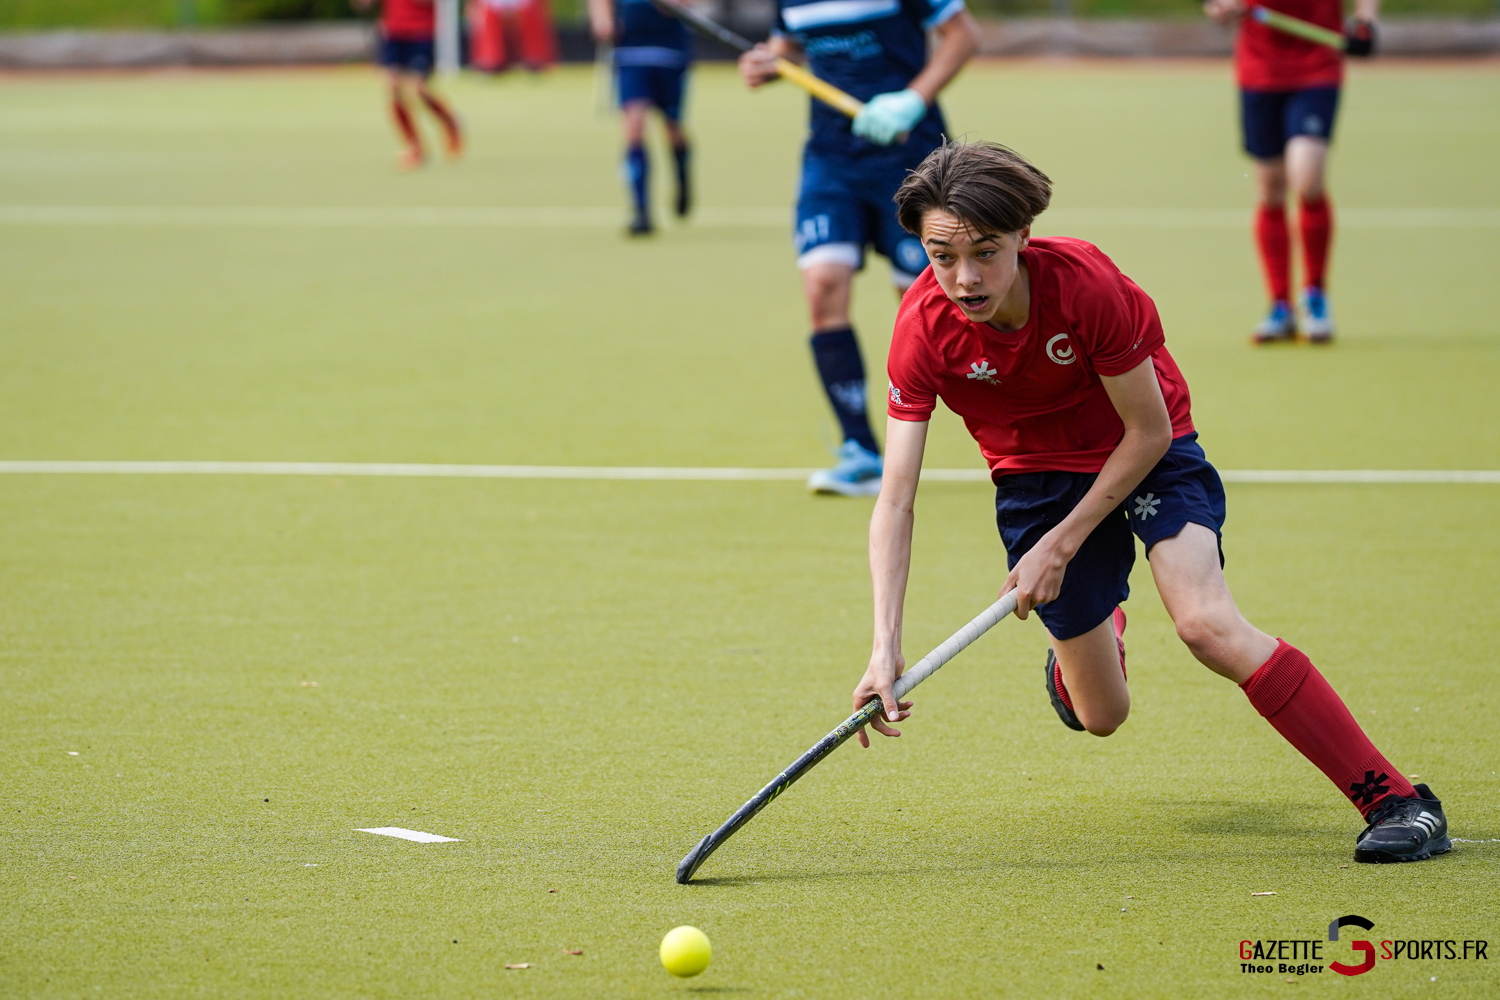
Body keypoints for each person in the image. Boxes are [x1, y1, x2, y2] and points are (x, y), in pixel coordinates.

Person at [852, 140, 1448, 864]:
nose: (965, 277)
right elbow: (897, 501)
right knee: (1102, 715)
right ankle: (1101, 628)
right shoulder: (921, 330)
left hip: (1146, 455)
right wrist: (883, 648)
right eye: (942, 256)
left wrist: (1060, 546)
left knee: (1206, 625)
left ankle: (1395, 799)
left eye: (986, 252)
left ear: (1023, 237)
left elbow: (1148, 430)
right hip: (1036, 479)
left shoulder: (1086, 286)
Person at [738, 0, 980, 495]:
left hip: (915, 158)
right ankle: (860, 451)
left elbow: (963, 36)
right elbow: (785, 49)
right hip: (832, 160)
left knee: (932, 306)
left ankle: (1022, 430)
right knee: (824, 283)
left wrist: (912, 99)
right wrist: (767, 63)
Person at [1204, 0, 1379, 344]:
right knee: (1271, 189)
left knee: (1308, 176)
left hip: (1317, 67)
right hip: (1259, 72)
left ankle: (1315, 295)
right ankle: (1280, 306)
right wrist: (1224, 9)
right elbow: (1220, 7)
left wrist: (1365, 20)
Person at [589, 0, 693, 235]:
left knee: (673, 128)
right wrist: (602, 19)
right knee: (634, 128)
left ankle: (682, 177)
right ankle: (641, 212)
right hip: (630, 53)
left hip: (669, 52)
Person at [354, 0, 464, 170]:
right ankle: (415, 147)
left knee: (418, 89)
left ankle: (450, 122)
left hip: (422, 31)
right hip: (394, 33)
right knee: (393, 87)